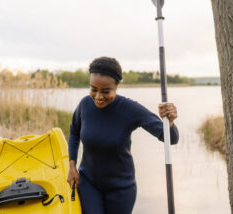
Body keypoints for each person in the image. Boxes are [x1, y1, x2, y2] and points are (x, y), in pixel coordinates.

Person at [67, 57, 179, 214]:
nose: (98, 96)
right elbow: (74, 132)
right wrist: (72, 166)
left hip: (121, 188)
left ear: (117, 86)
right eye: (93, 89)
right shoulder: (85, 105)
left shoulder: (130, 109)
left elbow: (171, 138)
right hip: (89, 183)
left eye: (106, 91)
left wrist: (170, 122)